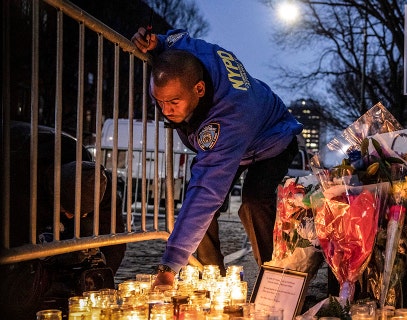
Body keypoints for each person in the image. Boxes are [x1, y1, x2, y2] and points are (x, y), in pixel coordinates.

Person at [131, 28, 303, 287]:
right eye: (159, 101)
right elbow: (173, 40)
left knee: (254, 203)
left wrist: (169, 266)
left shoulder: (229, 120)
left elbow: (207, 192)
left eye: (174, 102)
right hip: (239, 135)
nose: (166, 111)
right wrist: (156, 44)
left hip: (273, 137)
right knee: (197, 208)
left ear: (199, 89)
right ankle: (212, 278)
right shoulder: (185, 51)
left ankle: (275, 279)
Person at [1, 121, 125, 319]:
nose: (71, 217)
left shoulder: (95, 180)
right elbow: (14, 244)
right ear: (52, 195)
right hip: (18, 158)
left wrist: (101, 279)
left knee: (86, 234)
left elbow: (113, 237)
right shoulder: (18, 183)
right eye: (67, 211)